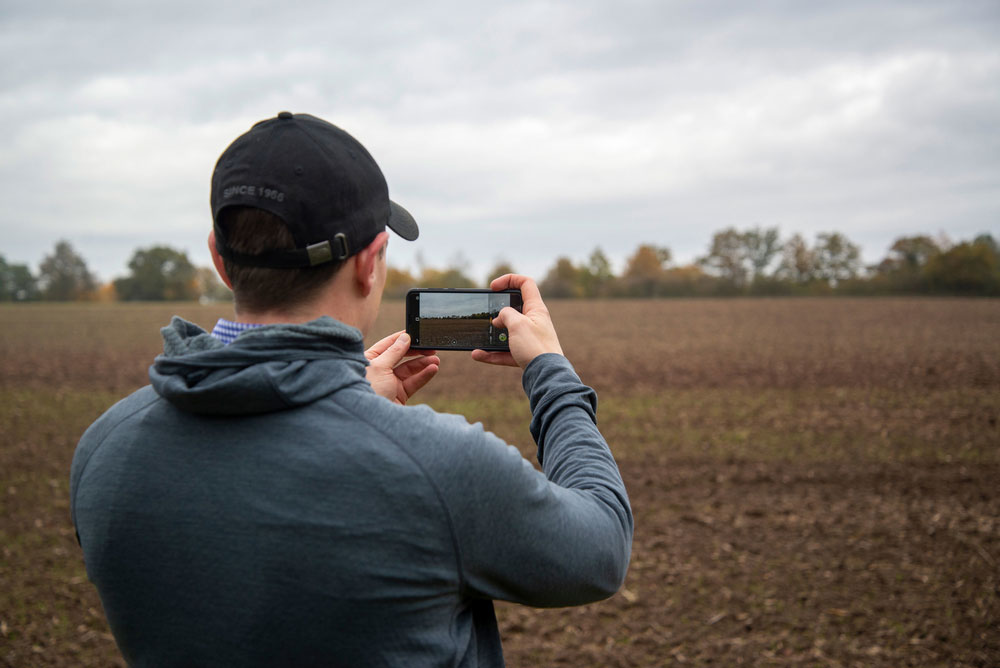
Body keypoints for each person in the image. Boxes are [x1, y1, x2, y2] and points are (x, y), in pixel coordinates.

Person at [70, 112, 633, 667]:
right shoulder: (436, 467)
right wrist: (551, 372)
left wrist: (341, 405)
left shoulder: (104, 450)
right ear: (370, 264)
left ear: (220, 259)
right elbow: (600, 548)